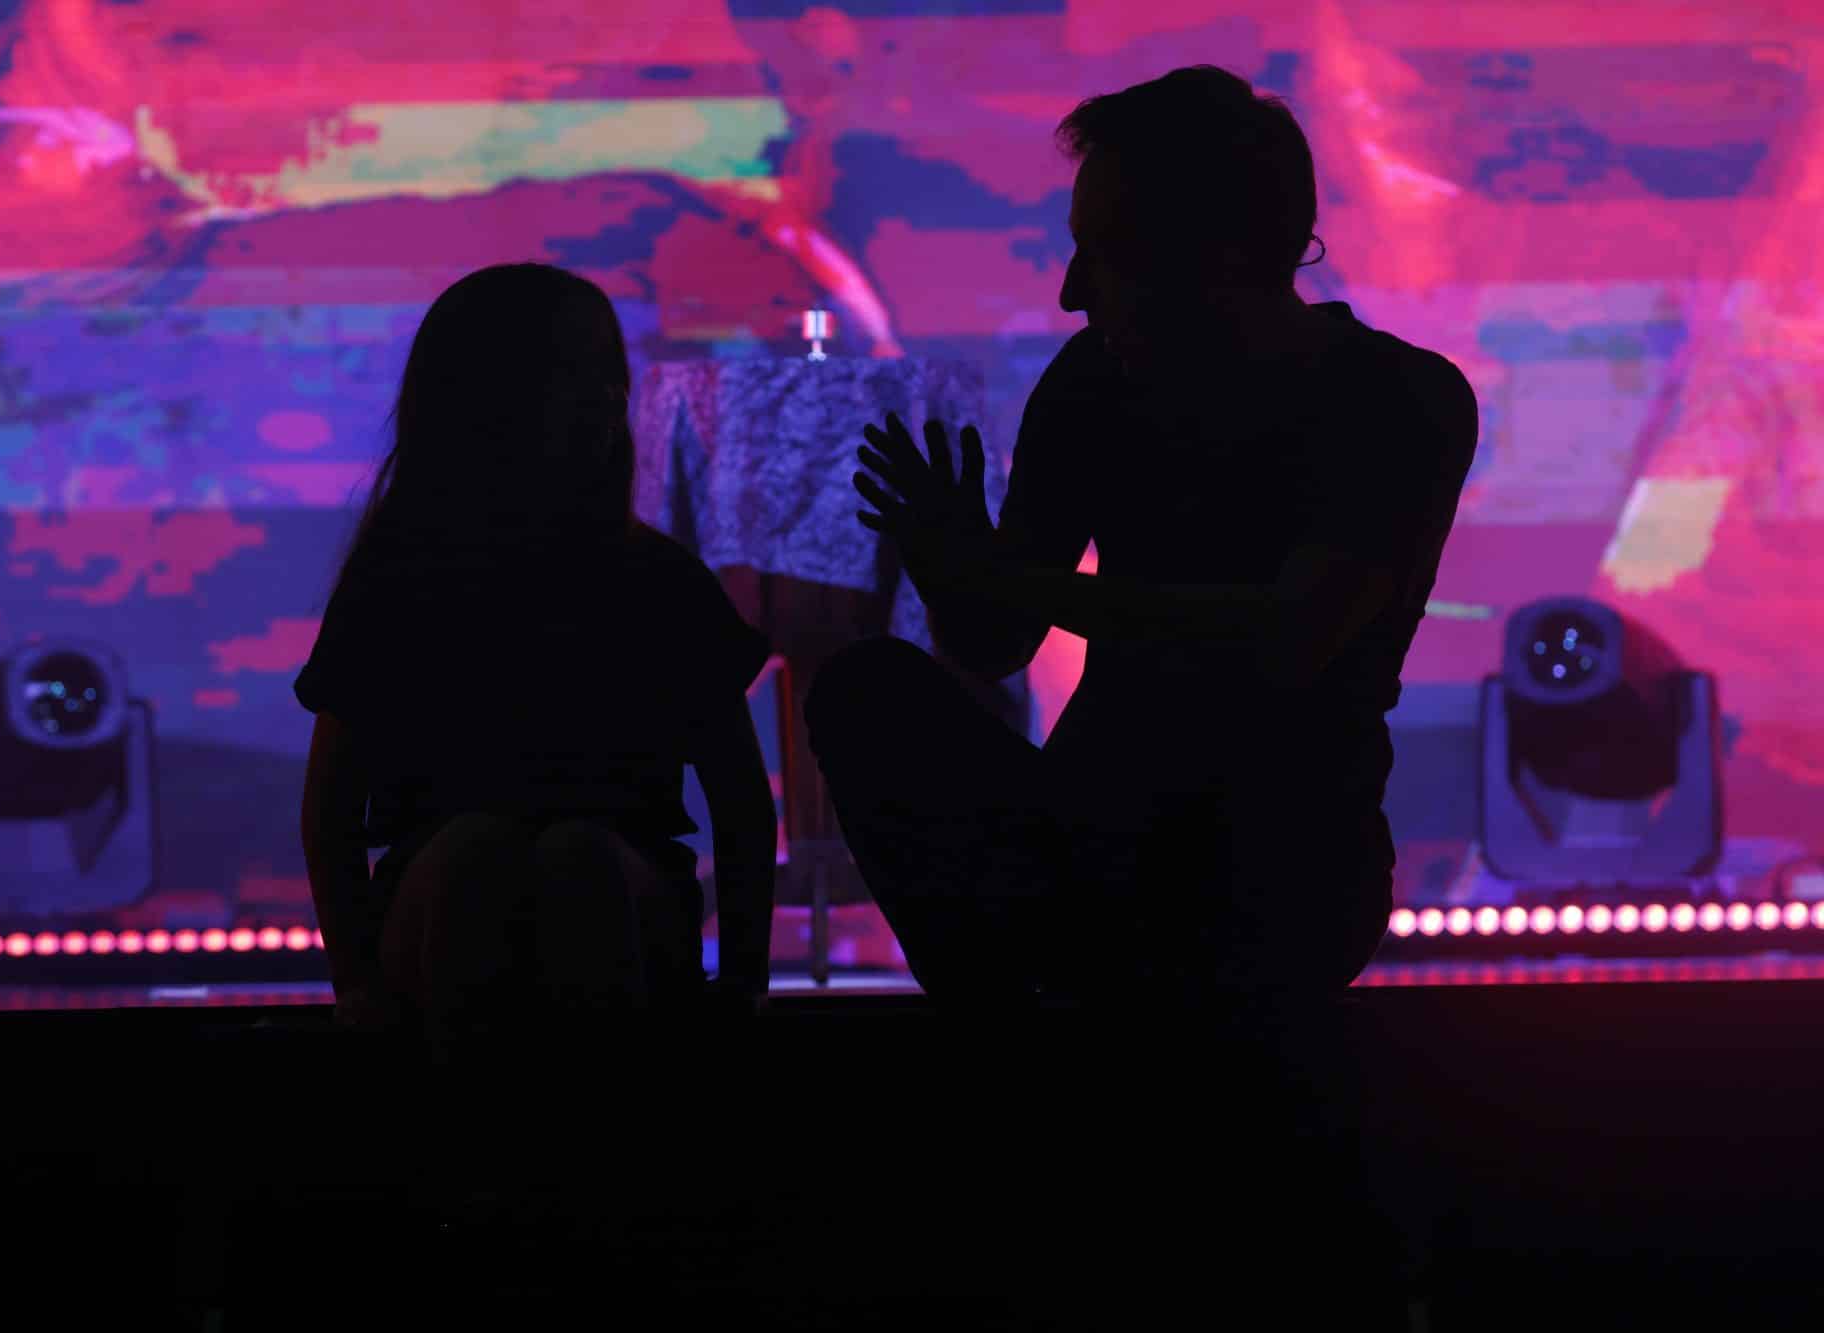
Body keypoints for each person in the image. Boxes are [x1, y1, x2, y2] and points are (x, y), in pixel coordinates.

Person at [806, 66, 1480, 1008]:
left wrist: (1001, 578)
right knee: (864, 692)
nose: (1072, 291)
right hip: (1086, 842)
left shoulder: (1393, 398)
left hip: (1282, 872)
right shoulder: (1091, 381)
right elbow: (993, 644)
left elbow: (1287, 638)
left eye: (1105, 253)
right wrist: (947, 564)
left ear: (1217, 256)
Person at [295, 263, 776, 1051]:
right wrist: (743, 982)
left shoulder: (397, 578)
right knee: (546, 861)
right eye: (573, 373)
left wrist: (359, 985)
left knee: (491, 860)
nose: (605, 398)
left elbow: (329, 810)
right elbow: (741, 802)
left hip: (453, 898)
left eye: (606, 376)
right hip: (610, 896)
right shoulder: (656, 577)